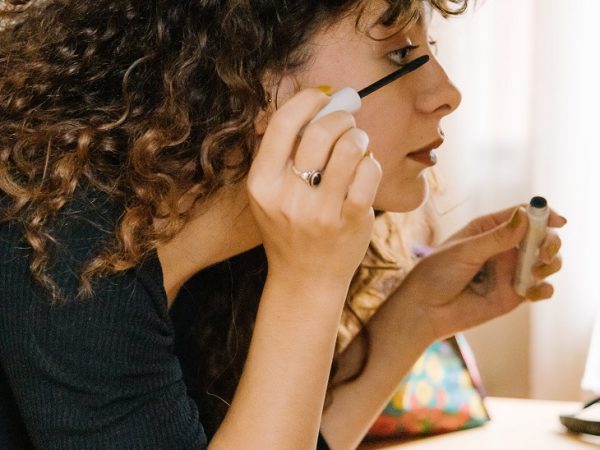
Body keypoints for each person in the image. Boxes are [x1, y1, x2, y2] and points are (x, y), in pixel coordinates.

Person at [0, 0, 566, 449]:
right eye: (399, 55)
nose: (447, 94)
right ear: (245, 77)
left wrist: (417, 315)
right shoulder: (61, 251)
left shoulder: (220, 258)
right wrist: (309, 281)